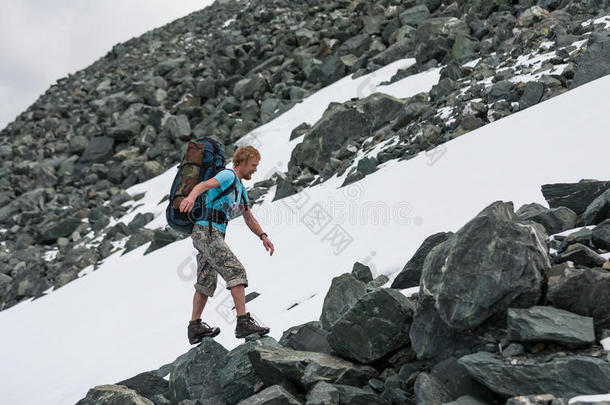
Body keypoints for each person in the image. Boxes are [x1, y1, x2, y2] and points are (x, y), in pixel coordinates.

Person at [179, 145, 275, 344]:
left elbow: (248, 217)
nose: (255, 170)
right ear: (241, 162)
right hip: (207, 230)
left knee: (206, 282)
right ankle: (243, 323)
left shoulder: (240, 188)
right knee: (236, 271)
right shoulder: (227, 176)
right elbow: (203, 186)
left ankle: (194, 327)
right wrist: (190, 197)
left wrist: (263, 236)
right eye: (253, 165)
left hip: (211, 233)